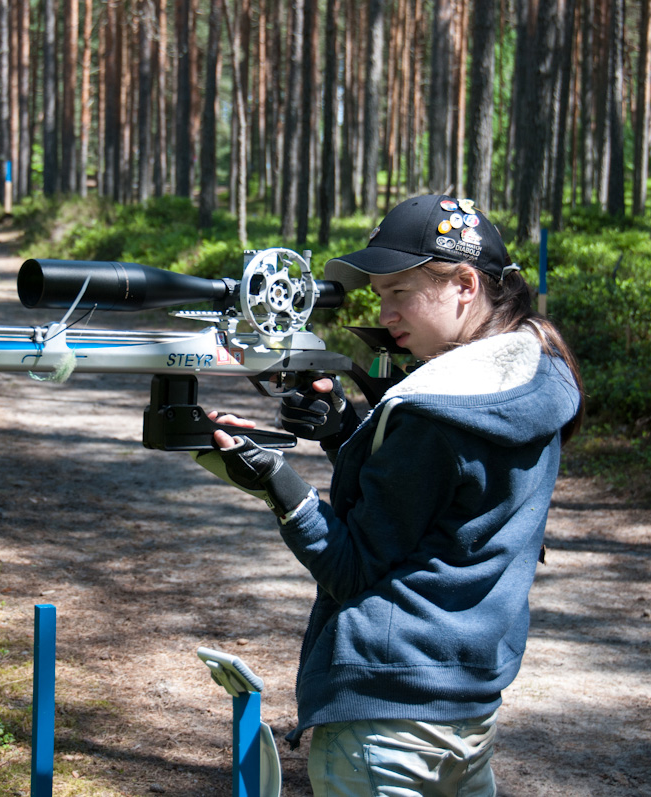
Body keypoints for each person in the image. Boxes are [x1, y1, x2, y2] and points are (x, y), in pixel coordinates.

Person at [192, 194, 585, 796]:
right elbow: (443, 511)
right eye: (378, 295)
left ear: (464, 283)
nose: (385, 311)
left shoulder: (433, 411)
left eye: (399, 291)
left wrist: (276, 482)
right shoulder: (536, 370)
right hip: (470, 704)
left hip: (385, 720)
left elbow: (351, 566)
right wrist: (346, 432)